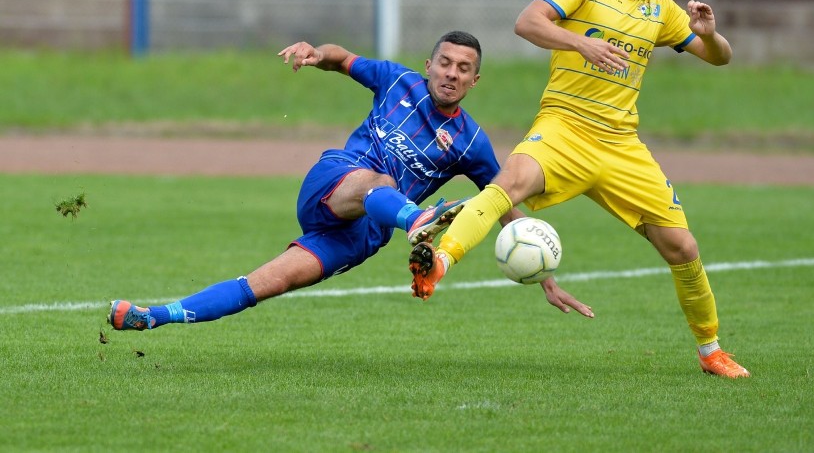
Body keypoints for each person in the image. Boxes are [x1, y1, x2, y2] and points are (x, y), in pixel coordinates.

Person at [408, 0, 750, 378]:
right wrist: (581, 43)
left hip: (620, 146)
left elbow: (721, 58)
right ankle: (440, 262)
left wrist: (710, 37)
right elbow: (527, 22)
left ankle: (711, 351)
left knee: (683, 248)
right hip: (564, 129)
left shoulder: (662, 11)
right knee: (508, 185)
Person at [108, 31, 589, 332]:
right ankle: (418, 219)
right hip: (335, 180)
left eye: (463, 68)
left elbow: (502, 202)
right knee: (378, 178)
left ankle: (152, 317)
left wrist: (542, 271)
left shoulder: (471, 144)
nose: (451, 73)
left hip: (362, 234)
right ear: (429, 65)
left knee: (263, 284)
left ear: (474, 81)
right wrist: (317, 53)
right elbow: (343, 58)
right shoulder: (398, 81)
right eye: (445, 62)